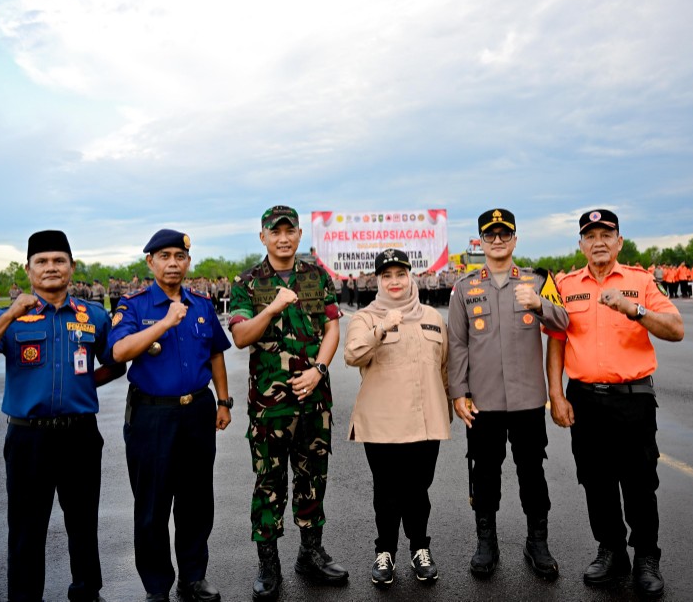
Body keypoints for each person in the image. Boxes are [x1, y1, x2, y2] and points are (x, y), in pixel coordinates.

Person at [0, 230, 126, 602]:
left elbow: (116, 364)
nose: (51, 267)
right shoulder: (11, 317)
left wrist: (80, 387)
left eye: (58, 260)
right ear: (28, 269)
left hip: (79, 435)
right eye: (42, 261)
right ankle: (24, 596)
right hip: (28, 439)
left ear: (71, 267)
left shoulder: (94, 316)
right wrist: (11, 314)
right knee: (26, 527)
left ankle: (86, 592)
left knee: (82, 523)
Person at [545, 209, 684, 598]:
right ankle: (611, 550)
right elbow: (556, 339)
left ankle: (645, 556)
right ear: (581, 244)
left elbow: (676, 329)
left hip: (633, 399)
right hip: (584, 400)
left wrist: (633, 309)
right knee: (595, 480)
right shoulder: (565, 284)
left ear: (620, 241)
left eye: (606, 233)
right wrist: (555, 394)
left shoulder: (640, 282)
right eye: (590, 235)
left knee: (640, 482)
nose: (599, 241)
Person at [228, 205, 348, 601]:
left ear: (299, 235)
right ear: (262, 237)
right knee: (269, 483)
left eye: (289, 230)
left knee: (313, 479)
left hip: (314, 400)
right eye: (274, 231)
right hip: (270, 406)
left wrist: (319, 369)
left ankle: (311, 553)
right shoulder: (247, 283)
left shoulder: (318, 276)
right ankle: (268, 563)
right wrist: (275, 305)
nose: (282, 237)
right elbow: (242, 336)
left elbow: (332, 328)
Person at [109, 229, 233, 602]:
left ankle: (193, 577)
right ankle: (157, 586)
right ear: (150, 262)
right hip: (152, 416)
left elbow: (215, 353)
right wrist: (165, 322)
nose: (173, 263)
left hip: (196, 410)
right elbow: (119, 352)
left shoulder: (201, 304)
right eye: (164, 256)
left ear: (188, 261)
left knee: (196, 501)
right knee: (152, 505)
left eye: (179, 256)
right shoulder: (133, 305)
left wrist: (223, 401)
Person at [447, 208, 569, 580]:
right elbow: (458, 344)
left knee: (532, 473)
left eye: (504, 234)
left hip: (528, 401)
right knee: (484, 474)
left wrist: (540, 305)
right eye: (490, 235)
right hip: (483, 402)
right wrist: (459, 393)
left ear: (516, 239)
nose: (497, 241)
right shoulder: (464, 288)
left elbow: (564, 322)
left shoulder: (538, 280)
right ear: (481, 241)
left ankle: (538, 542)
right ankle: (487, 542)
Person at [344, 249, 452, 587]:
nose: (394, 281)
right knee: (387, 492)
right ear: (377, 280)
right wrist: (381, 329)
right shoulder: (364, 317)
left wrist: (447, 408)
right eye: (387, 276)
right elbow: (352, 355)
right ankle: (385, 552)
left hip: (425, 420)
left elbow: (444, 367)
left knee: (419, 491)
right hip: (382, 423)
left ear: (411, 276)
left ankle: (420, 549)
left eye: (400, 274)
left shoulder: (433, 316)